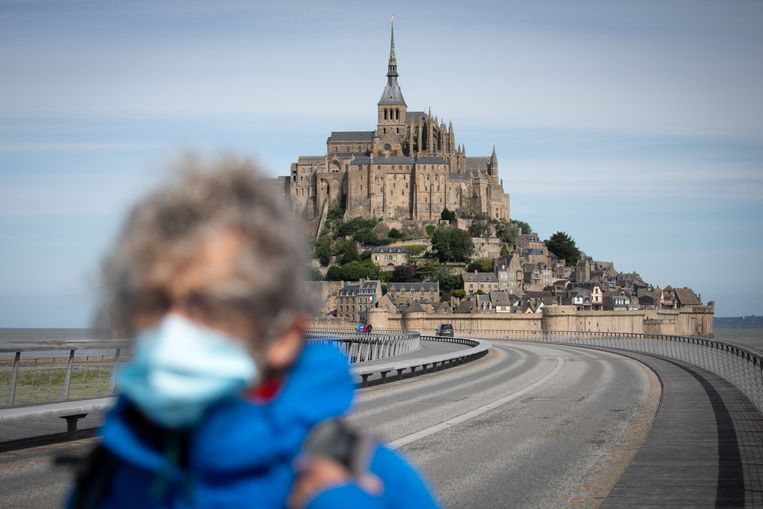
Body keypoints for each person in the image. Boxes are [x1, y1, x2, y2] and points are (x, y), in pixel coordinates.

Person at [67, 156, 439, 509]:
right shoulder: (105, 480)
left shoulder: (380, 484)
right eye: (153, 302)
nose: (174, 327)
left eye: (210, 304)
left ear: (284, 336)